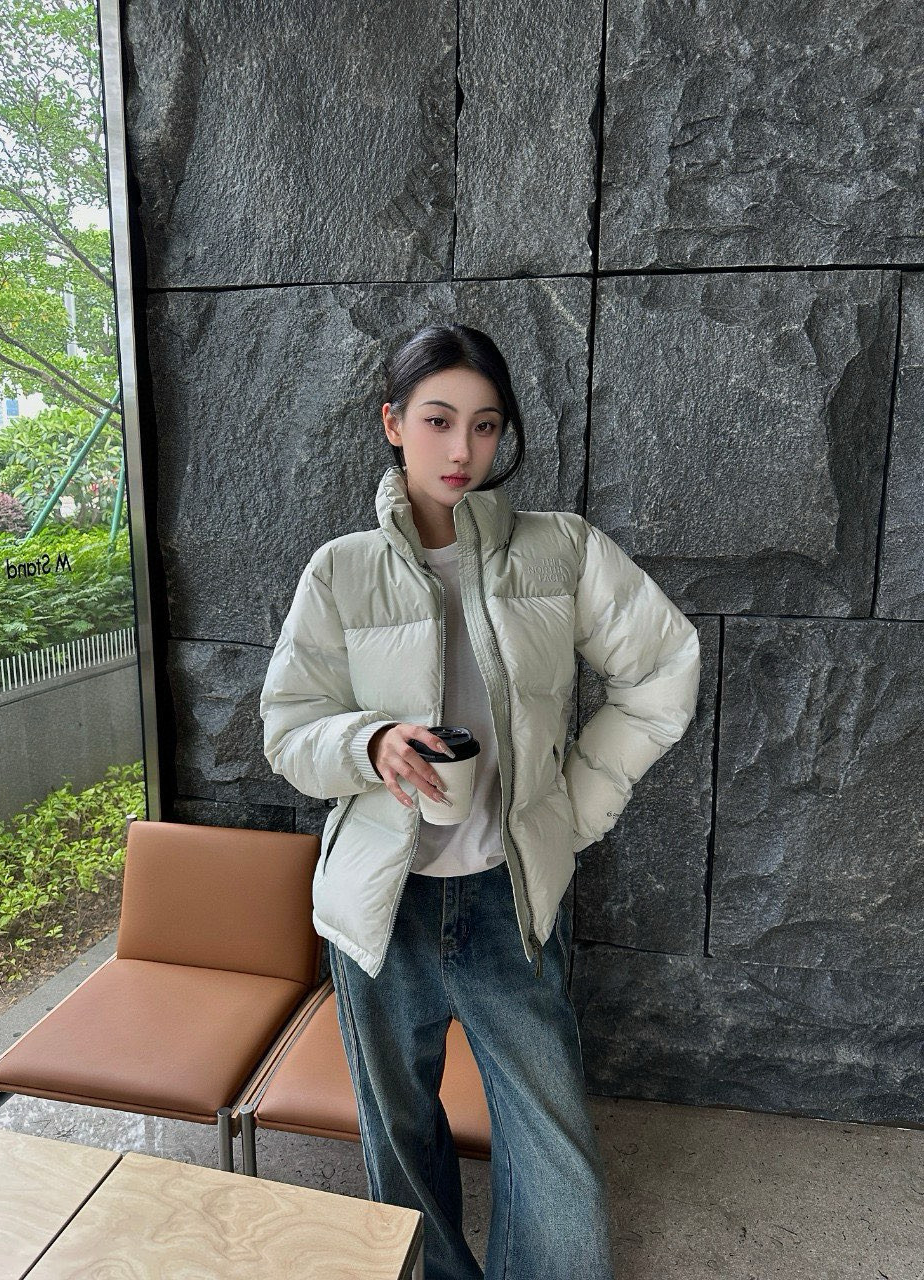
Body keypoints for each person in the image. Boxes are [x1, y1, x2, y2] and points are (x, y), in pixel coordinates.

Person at [259, 322, 701, 1280]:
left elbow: (664, 669)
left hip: (510, 900)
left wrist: (572, 808)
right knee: (402, 1149)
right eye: (438, 420)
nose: (463, 449)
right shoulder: (340, 570)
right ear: (393, 424)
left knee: (555, 1165)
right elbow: (288, 732)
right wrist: (369, 742)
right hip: (381, 912)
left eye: (487, 425)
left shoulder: (561, 551)